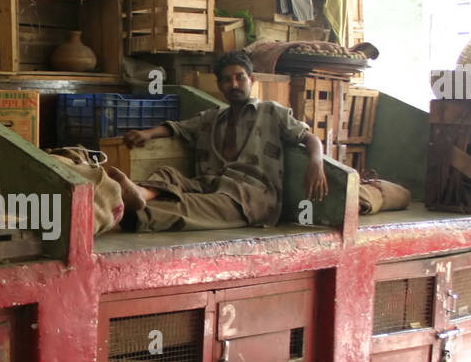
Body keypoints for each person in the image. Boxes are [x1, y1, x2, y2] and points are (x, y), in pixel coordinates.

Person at [106, 51, 328, 231]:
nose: (234, 84)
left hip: (249, 197)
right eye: (227, 80)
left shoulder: (271, 112)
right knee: (168, 174)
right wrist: (147, 134)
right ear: (220, 86)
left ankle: (131, 212)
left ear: (251, 80)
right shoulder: (213, 117)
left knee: (192, 205)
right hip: (210, 184)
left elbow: (308, 136)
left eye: (240, 77)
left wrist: (316, 163)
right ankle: (142, 194)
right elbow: (178, 127)